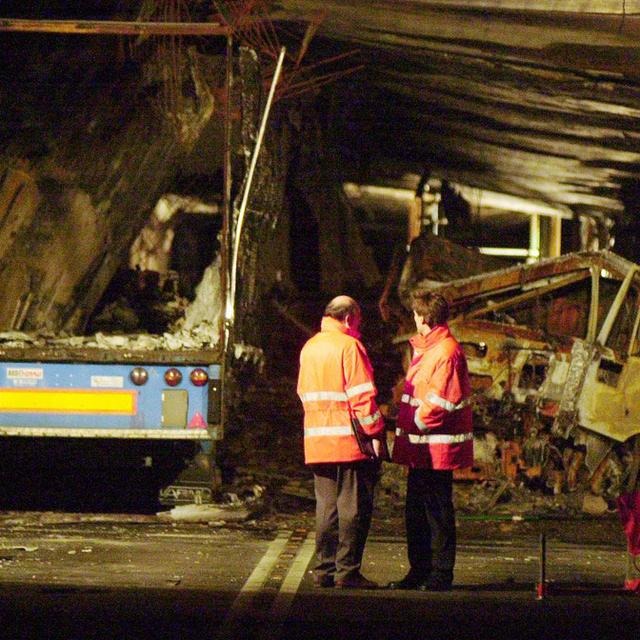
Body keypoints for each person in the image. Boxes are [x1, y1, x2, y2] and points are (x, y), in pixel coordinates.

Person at [298, 295, 385, 589]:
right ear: (348, 319)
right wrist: (375, 433)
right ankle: (348, 571)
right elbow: (362, 398)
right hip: (348, 441)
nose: (358, 329)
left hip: (317, 441)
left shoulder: (310, 347)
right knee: (352, 508)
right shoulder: (349, 346)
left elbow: (303, 393)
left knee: (326, 507)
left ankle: (324, 569)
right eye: (357, 323)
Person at [388, 291, 473, 591]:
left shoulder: (446, 353)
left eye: (414, 314)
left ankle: (439, 573)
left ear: (423, 318)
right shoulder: (430, 349)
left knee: (436, 512)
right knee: (417, 511)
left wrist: (414, 425)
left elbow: (439, 404)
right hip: (422, 449)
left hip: (435, 449)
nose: (413, 319)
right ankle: (420, 570)